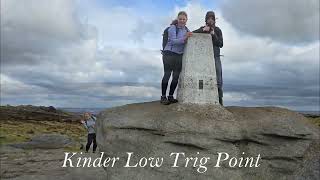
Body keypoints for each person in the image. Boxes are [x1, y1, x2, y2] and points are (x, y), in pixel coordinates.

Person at [161, 11, 192, 105]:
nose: (182, 21)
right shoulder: (172, 28)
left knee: (176, 77)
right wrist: (185, 38)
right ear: (177, 19)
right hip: (169, 54)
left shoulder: (187, 30)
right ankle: (163, 97)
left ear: (186, 20)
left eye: (184, 19)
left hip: (179, 55)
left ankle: (170, 96)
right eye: (180, 19)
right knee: (167, 74)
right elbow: (173, 41)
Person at [193, 11, 224, 105]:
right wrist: (202, 31)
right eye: (208, 18)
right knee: (203, 79)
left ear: (214, 20)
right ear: (206, 19)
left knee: (218, 80)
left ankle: (220, 101)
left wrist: (213, 34)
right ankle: (204, 99)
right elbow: (192, 33)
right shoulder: (203, 28)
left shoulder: (218, 30)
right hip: (204, 58)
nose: (210, 20)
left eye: (212, 18)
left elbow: (221, 44)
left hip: (216, 57)